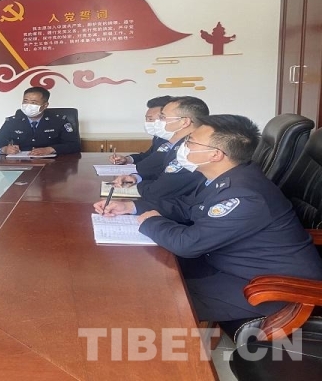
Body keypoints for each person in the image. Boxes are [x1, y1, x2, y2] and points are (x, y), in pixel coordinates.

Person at [95, 115, 322, 322]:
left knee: (148, 302)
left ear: (215, 154)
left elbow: (187, 244)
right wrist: (132, 207)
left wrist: (151, 222)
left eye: (191, 142)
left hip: (268, 286)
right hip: (228, 262)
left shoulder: (245, 195)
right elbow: (187, 207)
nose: (183, 146)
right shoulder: (225, 176)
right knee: (139, 275)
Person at [112, 96, 209, 203]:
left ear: (184, 122)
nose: (158, 122)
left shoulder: (191, 150)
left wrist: (138, 185)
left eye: (163, 117)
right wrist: (136, 178)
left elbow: (159, 191)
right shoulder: (178, 144)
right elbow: (161, 172)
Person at [0, 86, 81, 156]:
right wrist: (4, 149)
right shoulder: (12, 122)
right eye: (25, 101)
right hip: (21, 164)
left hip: (53, 165)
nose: (28, 105)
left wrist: (49, 149)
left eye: (33, 103)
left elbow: (75, 145)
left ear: (45, 105)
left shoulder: (59, 121)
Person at [109, 95, 172, 165]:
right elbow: (148, 156)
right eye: (146, 119)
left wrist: (137, 171)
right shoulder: (159, 137)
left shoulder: (175, 140)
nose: (147, 122)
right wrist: (127, 159)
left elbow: (154, 165)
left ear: (165, 118)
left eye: (150, 119)